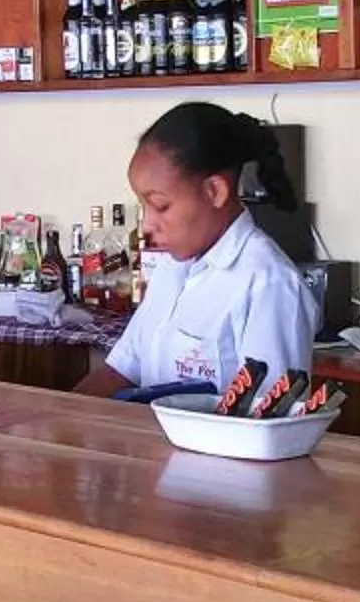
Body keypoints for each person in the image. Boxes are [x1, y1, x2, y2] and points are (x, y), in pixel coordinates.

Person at [79, 102, 316, 399]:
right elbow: (124, 368)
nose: (148, 225)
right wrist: (54, 416)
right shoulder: (171, 266)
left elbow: (269, 418)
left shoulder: (269, 285)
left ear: (214, 192)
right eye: (143, 207)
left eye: (161, 206)